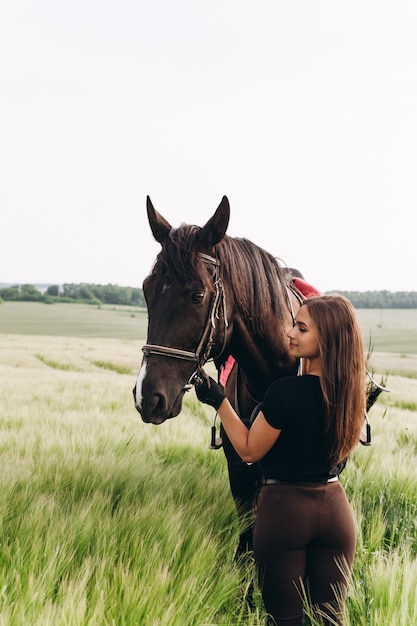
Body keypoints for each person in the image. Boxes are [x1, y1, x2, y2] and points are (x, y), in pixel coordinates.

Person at [195, 295, 366, 626]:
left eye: (301, 328)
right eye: (293, 324)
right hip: (336, 515)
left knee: (284, 620)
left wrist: (218, 400)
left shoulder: (285, 392)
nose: (290, 333)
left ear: (326, 339)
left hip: (284, 515)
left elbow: (247, 450)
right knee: (330, 620)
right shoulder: (351, 394)